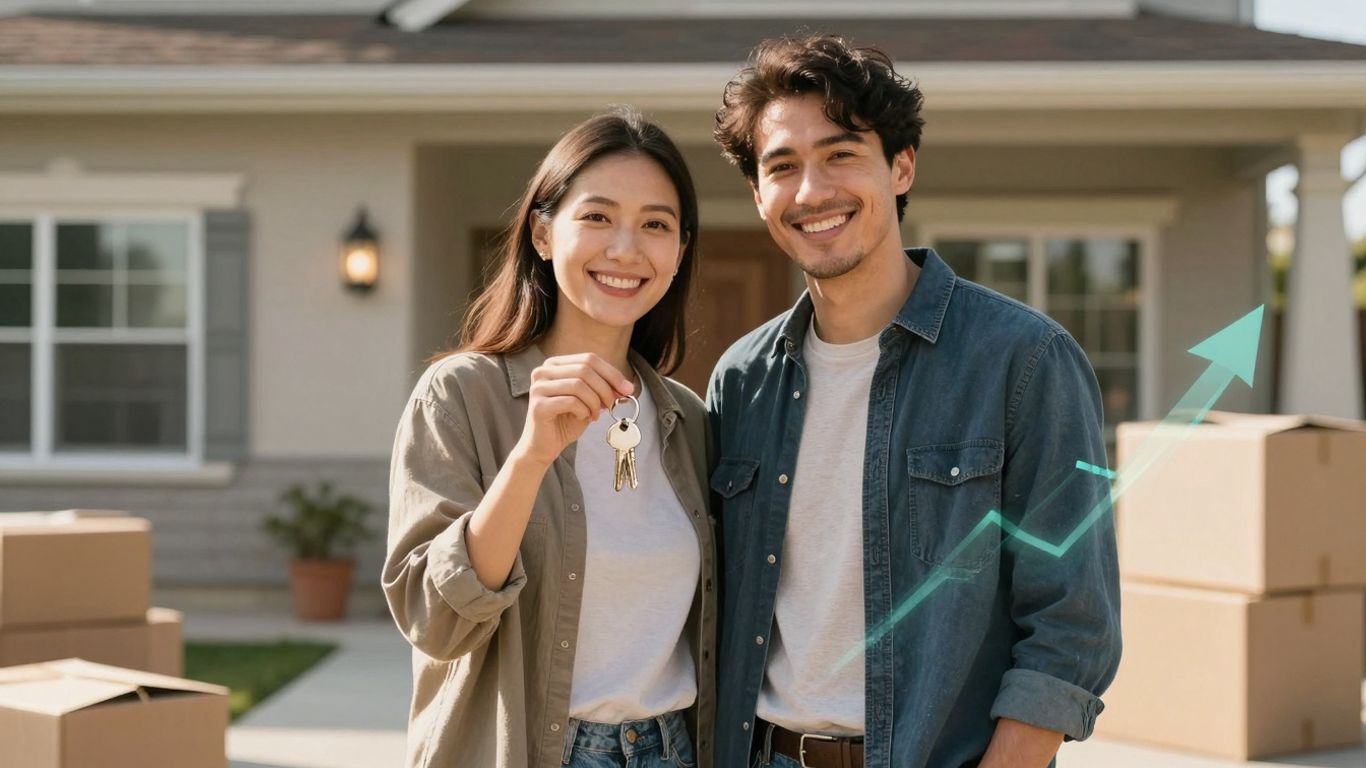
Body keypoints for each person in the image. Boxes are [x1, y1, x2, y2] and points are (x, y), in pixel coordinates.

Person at [706, 35, 1122, 768]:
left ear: (900, 167)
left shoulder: (1025, 362)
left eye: (841, 155)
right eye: (783, 167)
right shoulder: (740, 380)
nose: (811, 192)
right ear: (758, 195)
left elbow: (1072, 627)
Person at [384, 109, 715, 768]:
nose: (625, 249)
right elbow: (435, 622)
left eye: (655, 224)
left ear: (678, 253)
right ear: (542, 232)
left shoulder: (689, 420)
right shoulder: (462, 397)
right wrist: (533, 454)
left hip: (673, 748)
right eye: (596, 217)